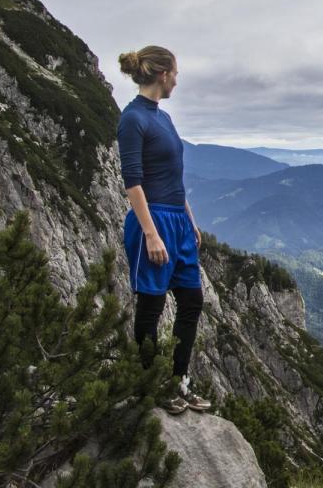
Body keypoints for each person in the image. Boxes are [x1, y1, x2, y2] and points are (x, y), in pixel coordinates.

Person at [116, 45, 210, 415]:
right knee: (151, 305)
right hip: (152, 220)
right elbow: (132, 182)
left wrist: (189, 218)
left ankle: (178, 380)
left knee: (192, 301)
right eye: (175, 72)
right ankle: (149, 385)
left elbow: (173, 176)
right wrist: (151, 233)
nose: (177, 79)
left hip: (177, 219)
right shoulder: (133, 119)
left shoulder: (163, 118)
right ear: (162, 74)